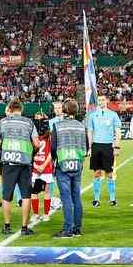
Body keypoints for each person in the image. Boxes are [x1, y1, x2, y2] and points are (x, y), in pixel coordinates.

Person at [0, 100, 42, 235]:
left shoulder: (3, 122)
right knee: (26, 196)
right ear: (21, 109)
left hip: (8, 163)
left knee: (6, 196)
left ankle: (7, 226)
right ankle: (24, 228)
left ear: (10, 109)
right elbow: (37, 144)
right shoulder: (29, 122)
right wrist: (32, 151)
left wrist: (2, 148)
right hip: (25, 163)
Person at [51, 99, 88, 239]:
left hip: (63, 164)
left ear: (65, 110)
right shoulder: (81, 126)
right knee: (76, 197)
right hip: (77, 163)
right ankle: (77, 229)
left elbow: (53, 147)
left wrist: (55, 160)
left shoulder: (57, 126)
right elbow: (86, 147)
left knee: (66, 198)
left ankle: (68, 229)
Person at [85, 94, 121, 207]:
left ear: (107, 101)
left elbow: (118, 131)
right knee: (96, 173)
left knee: (109, 173)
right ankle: (96, 199)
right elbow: (90, 131)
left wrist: (117, 146)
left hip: (108, 146)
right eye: (99, 100)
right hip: (96, 146)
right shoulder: (92, 115)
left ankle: (112, 198)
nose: (101, 102)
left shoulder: (113, 114)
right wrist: (90, 147)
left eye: (103, 100)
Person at [31, 132, 55, 221]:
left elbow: (51, 153)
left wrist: (43, 165)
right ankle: (36, 214)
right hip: (36, 168)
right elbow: (30, 153)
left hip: (45, 168)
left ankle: (46, 214)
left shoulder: (49, 137)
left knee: (46, 191)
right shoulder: (34, 137)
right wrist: (35, 166)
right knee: (34, 191)